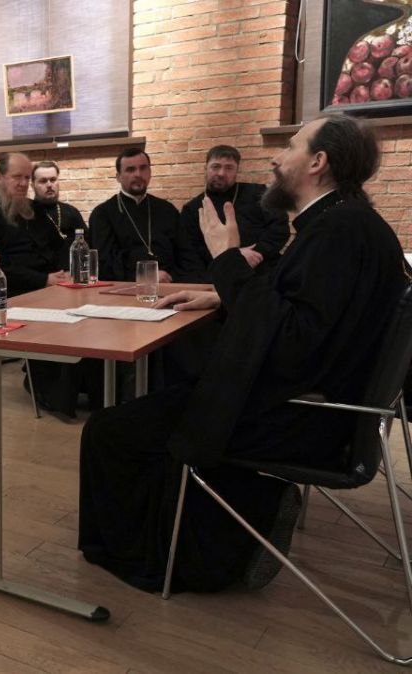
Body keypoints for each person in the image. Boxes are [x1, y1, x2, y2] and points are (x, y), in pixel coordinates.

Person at [79, 114, 406, 593]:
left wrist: (227, 259)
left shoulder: (337, 231)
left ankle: (228, 530)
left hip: (305, 418)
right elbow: (297, 305)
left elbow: (290, 344)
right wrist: (222, 294)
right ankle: (248, 515)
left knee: (110, 430)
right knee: (168, 395)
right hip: (330, 408)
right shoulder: (350, 221)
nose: (276, 159)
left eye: (290, 147)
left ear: (317, 162)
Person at [24, 160, 103, 416]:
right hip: (41, 287)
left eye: (53, 180)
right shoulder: (26, 215)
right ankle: (56, 390)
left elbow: (88, 248)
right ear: (33, 185)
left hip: (74, 284)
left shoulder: (70, 213)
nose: (49, 185)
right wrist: (48, 278)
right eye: (43, 181)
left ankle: (89, 384)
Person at [0, 152, 72, 306]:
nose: (24, 183)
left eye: (27, 177)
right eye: (17, 177)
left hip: (51, 289)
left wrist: (66, 271)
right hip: (9, 298)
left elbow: (59, 247)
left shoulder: (35, 209)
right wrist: (44, 280)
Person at [88, 148, 203, 283]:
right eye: (130, 170)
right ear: (118, 177)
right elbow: (104, 263)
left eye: (143, 168)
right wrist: (146, 275)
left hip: (171, 285)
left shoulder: (168, 210)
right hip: (124, 288)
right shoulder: (102, 214)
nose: (138, 174)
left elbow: (187, 256)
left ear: (150, 172)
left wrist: (173, 278)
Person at [179, 145, 290, 279]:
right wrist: (233, 258)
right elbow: (190, 250)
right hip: (218, 276)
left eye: (229, 168)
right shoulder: (191, 209)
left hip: (264, 270)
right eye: (216, 166)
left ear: (237, 170)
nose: (221, 173)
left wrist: (257, 253)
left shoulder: (259, 193)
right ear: (205, 168)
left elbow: (279, 229)